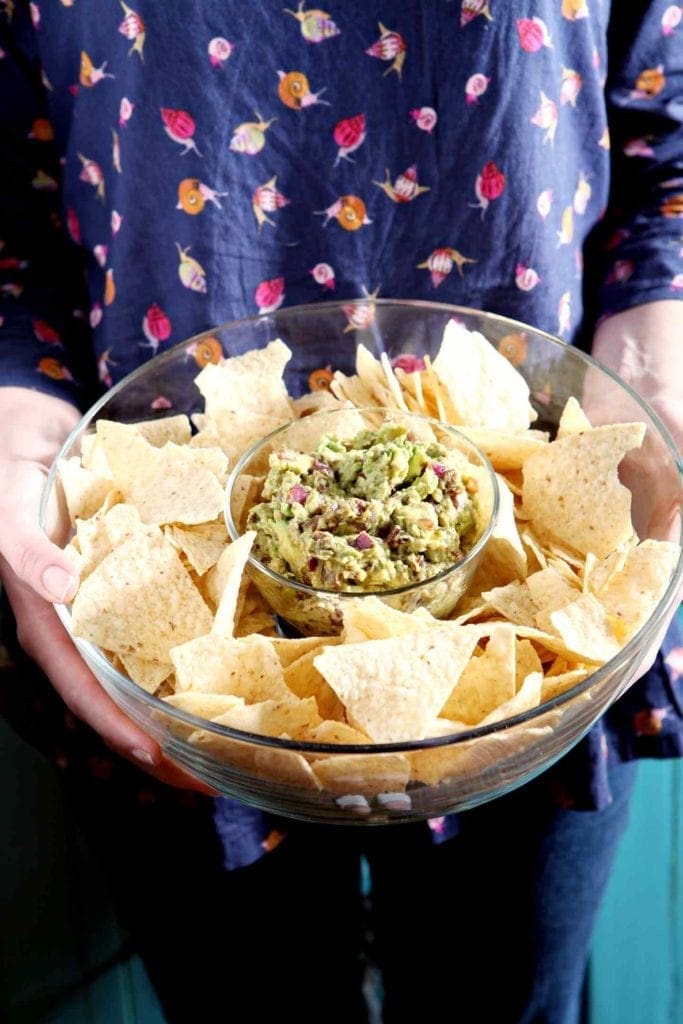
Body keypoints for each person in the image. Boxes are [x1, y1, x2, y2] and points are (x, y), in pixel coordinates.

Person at [1, 1, 681, 1021]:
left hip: (540, 638)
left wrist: (653, 403)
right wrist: (21, 448)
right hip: (161, 643)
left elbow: (664, 140)